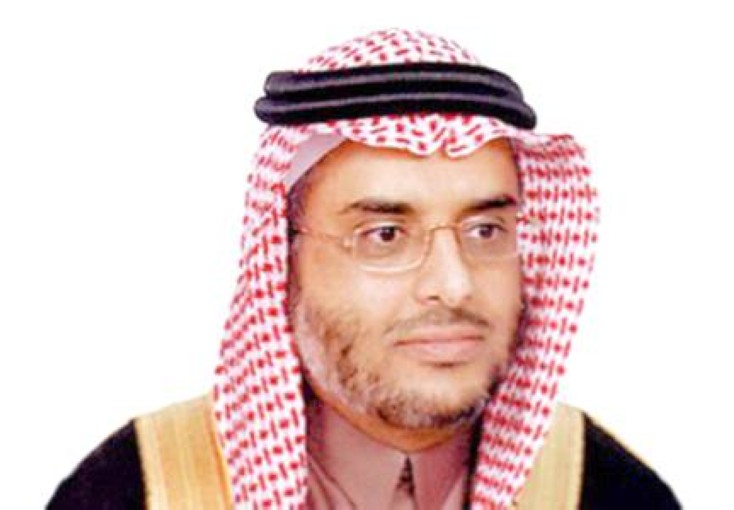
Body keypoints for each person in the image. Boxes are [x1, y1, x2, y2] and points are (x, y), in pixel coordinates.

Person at [48, 28, 680, 509]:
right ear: (283, 262)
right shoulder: (138, 490)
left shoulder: (605, 492)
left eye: (486, 231)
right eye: (384, 235)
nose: (453, 284)